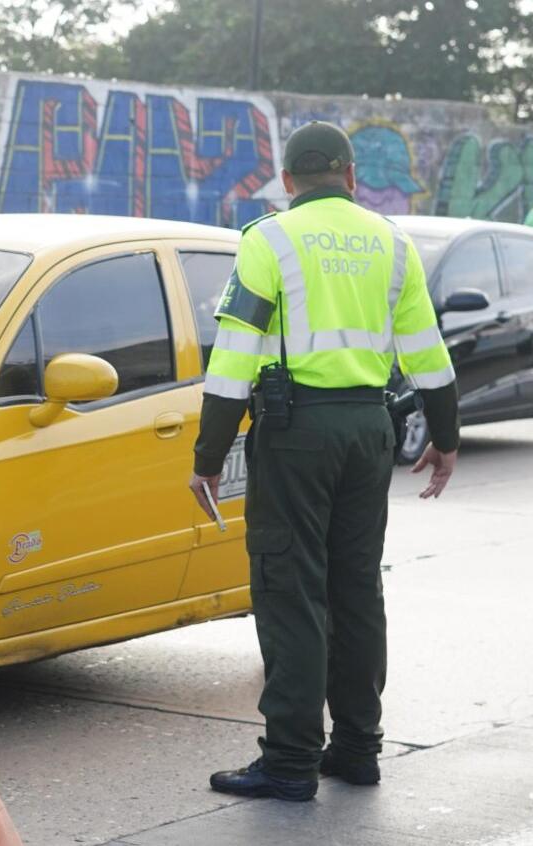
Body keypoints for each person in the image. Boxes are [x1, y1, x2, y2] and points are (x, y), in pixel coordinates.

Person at [187, 122, 461, 802]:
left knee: (290, 590)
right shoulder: (393, 243)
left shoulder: (268, 240)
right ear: (350, 174)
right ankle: (358, 749)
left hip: (295, 435)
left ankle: (289, 761)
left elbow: (233, 359)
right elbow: (428, 353)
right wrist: (446, 437)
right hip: (369, 431)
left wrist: (208, 455)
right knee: (356, 590)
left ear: (287, 179)